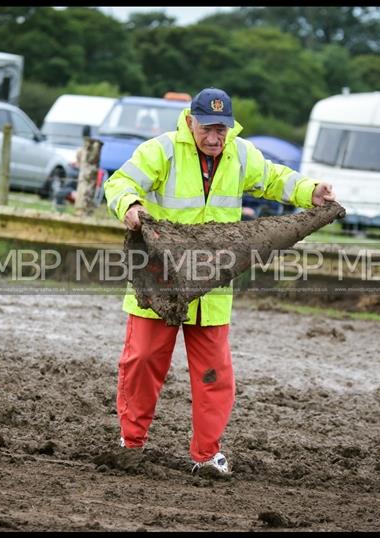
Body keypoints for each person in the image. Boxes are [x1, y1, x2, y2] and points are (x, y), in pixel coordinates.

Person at [104, 87, 336, 477]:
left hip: (211, 288)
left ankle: (206, 455)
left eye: (222, 130)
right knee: (143, 360)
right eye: (207, 129)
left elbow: (275, 179)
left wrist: (310, 190)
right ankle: (131, 442)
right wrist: (130, 205)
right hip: (159, 280)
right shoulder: (160, 151)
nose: (214, 138)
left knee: (214, 373)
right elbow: (120, 182)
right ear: (190, 121)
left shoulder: (241, 154)